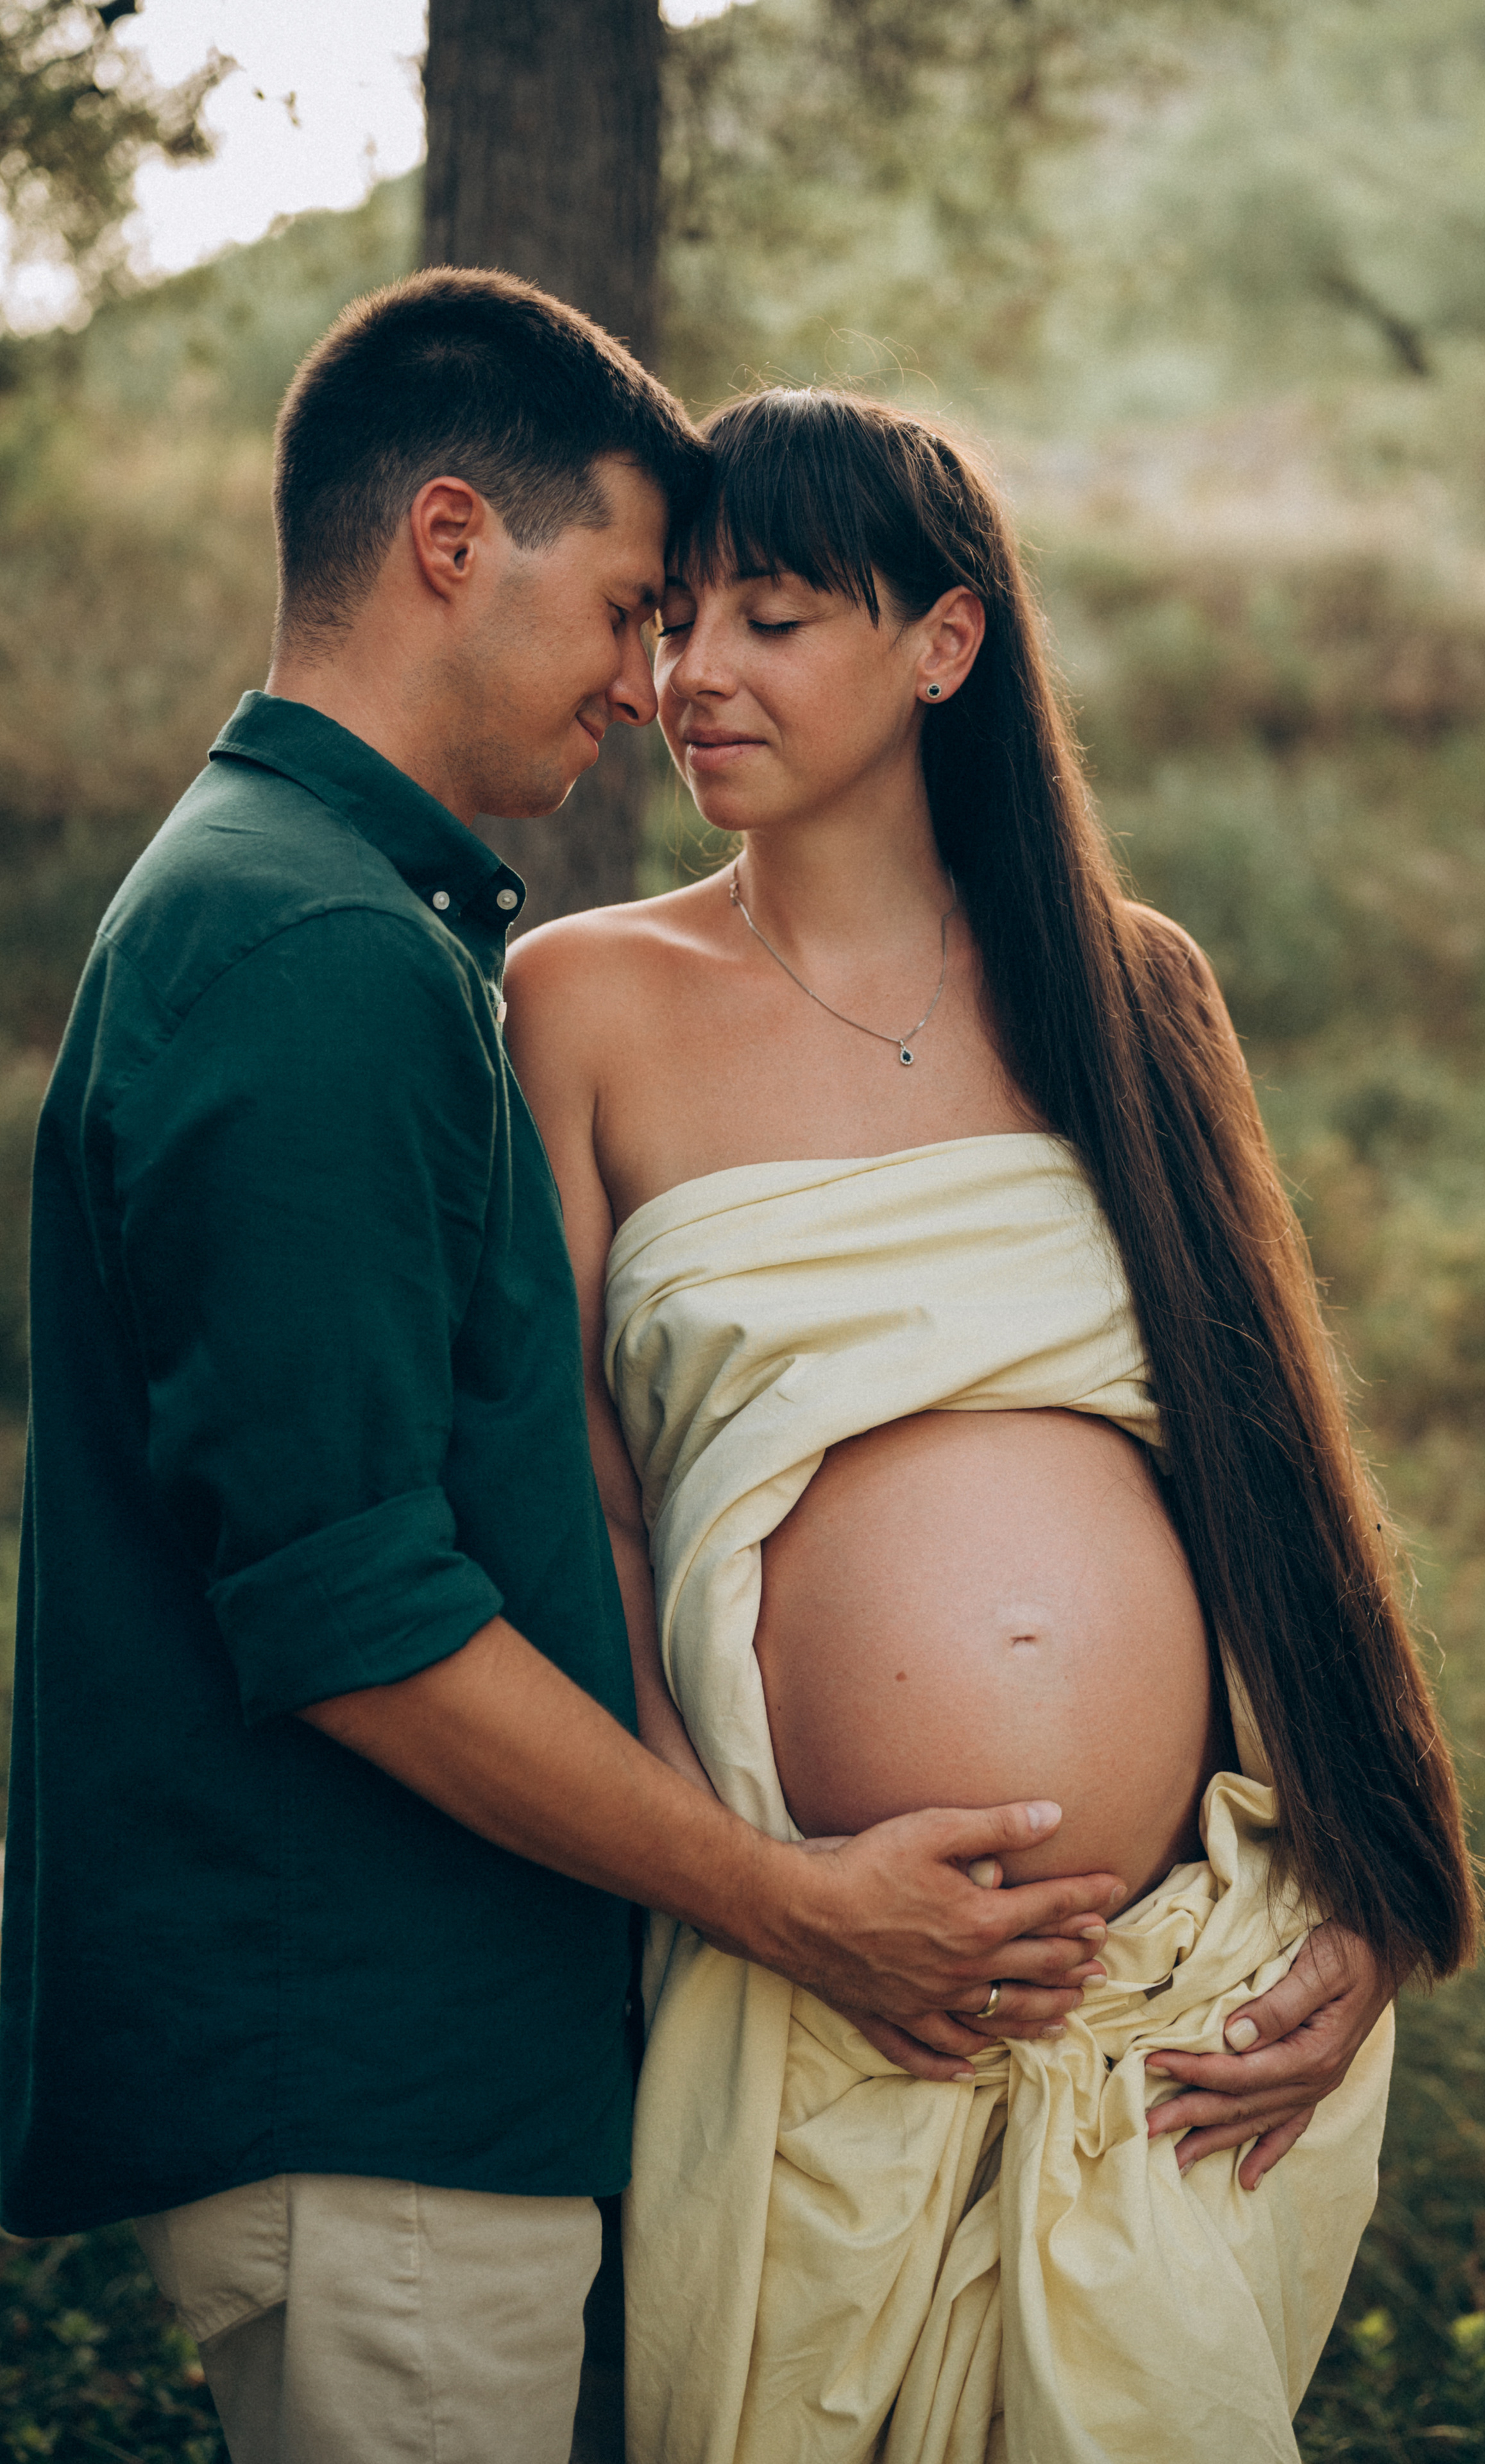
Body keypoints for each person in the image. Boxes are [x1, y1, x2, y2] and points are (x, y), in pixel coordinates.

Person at [0, 283, 1132, 2464]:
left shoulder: (336, 912)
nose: (653, 681)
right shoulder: (315, 947)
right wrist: (795, 1907)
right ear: (451, 541)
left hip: (460, 2075)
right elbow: (354, 1618)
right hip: (375, 2074)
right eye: (631, 604)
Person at [503, 386, 1482, 2461]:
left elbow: (1273, 1457)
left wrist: (1386, 1895)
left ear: (946, 642)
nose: (691, 677)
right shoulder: (580, 999)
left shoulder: (1126, 989)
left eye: (770, 618)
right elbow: (574, 1505)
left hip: (1187, 1984)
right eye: (675, 621)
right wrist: (755, 1895)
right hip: (803, 1973)